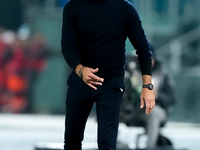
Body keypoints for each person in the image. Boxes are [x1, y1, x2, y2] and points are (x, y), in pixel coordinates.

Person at [61, 0, 155, 149]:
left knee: (107, 142)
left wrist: (147, 86)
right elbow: (67, 46)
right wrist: (80, 69)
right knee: (72, 138)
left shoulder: (125, 9)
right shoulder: (73, 7)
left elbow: (143, 49)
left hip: (111, 82)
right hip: (80, 79)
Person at [120, 47, 175, 149]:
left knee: (153, 112)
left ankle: (150, 147)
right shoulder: (132, 73)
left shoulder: (163, 74)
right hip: (136, 109)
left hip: (156, 109)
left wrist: (156, 95)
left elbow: (171, 99)